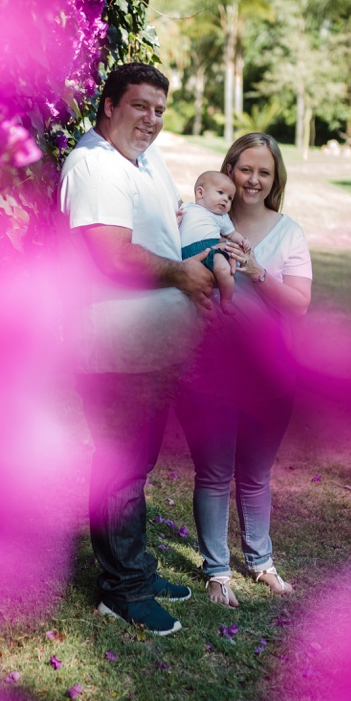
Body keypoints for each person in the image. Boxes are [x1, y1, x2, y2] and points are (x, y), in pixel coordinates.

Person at [59, 63, 217, 636]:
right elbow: (114, 256)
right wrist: (181, 276)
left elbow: (164, 224)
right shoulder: (94, 165)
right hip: (112, 347)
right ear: (108, 105)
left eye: (158, 109)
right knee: (120, 467)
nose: (150, 119)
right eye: (139, 106)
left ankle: (139, 571)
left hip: (150, 347)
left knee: (136, 465)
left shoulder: (143, 160)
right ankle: (120, 591)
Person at [175, 132, 312, 608]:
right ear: (229, 169)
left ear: (275, 180)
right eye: (245, 169)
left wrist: (254, 268)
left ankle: (261, 562)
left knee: (255, 475)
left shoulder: (289, 232)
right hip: (207, 370)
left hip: (270, 376)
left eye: (264, 172)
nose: (253, 179)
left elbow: (298, 306)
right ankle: (217, 572)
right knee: (213, 474)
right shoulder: (199, 217)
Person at [178, 170, 251, 316]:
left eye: (230, 198)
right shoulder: (186, 208)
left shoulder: (222, 217)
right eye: (220, 193)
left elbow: (231, 233)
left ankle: (226, 300)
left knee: (224, 269)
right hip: (186, 254)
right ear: (200, 193)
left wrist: (242, 241)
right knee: (191, 287)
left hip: (212, 249)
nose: (225, 200)